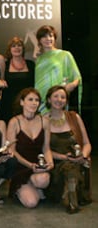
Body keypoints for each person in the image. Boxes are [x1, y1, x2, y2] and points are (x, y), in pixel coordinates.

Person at [44, 85, 92, 214]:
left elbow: (87, 143)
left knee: (72, 167)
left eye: (63, 97)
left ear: (66, 101)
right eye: (56, 96)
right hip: (56, 163)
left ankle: (71, 200)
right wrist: (65, 157)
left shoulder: (74, 117)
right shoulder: (43, 120)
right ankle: (71, 199)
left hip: (78, 161)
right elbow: (45, 149)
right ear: (48, 99)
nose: (59, 99)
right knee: (68, 166)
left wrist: (83, 156)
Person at [7, 88, 53, 208]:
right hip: (21, 166)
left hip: (38, 165)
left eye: (37, 100)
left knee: (43, 181)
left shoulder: (45, 121)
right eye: (30, 99)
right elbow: (12, 151)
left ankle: (35, 185)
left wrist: (50, 163)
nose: (34, 103)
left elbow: (46, 148)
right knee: (31, 203)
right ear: (22, 102)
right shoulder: (14, 122)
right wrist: (29, 165)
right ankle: (22, 187)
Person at [34, 25, 82, 114]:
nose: (48, 39)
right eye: (44, 36)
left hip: (57, 98)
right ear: (39, 40)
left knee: (58, 123)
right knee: (43, 124)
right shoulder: (39, 59)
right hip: (41, 99)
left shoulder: (65, 55)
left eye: (51, 36)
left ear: (54, 38)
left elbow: (77, 77)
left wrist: (71, 85)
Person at [0, 37, 35, 123]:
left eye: (19, 45)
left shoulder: (31, 64)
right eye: (13, 46)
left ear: (23, 49)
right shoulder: (4, 64)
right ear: (9, 49)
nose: (17, 48)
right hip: (8, 104)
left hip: (27, 103)